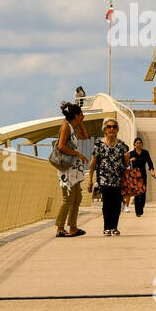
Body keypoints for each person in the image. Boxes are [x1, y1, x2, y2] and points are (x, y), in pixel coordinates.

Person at [54, 101, 91, 237]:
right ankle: (59, 228)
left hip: (74, 169)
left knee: (77, 198)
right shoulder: (65, 127)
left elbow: (85, 136)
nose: (83, 116)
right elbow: (61, 146)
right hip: (67, 169)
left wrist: (80, 122)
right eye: (81, 114)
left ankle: (73, 227)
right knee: (68, 199)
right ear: (75, 115)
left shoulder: (72, 127)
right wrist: (77, 154)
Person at [89, 117, 129, 235]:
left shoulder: (122, 145)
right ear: (105, 130)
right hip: (104, 179)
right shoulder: (99, 145)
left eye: (114, 127)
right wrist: (90, 180)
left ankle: (114, 227)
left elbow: (126, 165)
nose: (112, 129)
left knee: (117, 205)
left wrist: (126, 160)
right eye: (109, 127)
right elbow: (93, 163)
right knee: (107, 204)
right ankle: (107, 227)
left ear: (117, 130)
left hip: (118, 179)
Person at [128, 137, 154, 216]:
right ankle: (137, 211)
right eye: (137, 143)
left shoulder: (145, 153)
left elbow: (150, 163)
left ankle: (141, 207)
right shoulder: (131, 153)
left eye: (140, 143)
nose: (138, 144)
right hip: (135, 174)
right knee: (137, 193)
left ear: (141, 144)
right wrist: (130, 160)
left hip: (143, 174)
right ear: (134, 144)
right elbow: (125, 163)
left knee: (143, 193)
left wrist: (152, 170)